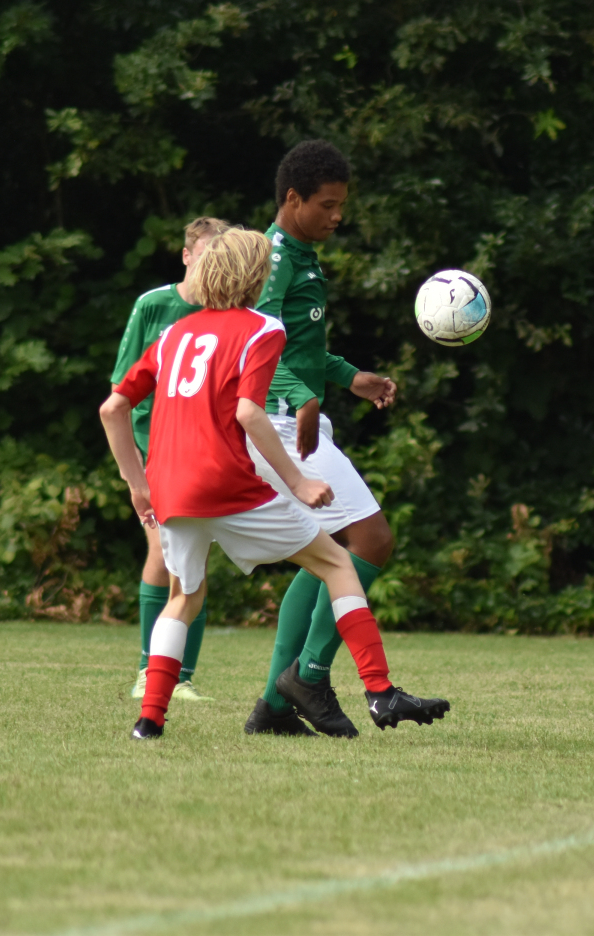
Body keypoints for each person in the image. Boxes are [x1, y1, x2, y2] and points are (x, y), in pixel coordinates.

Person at [98, 227, 447, 740]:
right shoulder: (263, 327)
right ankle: (378, 689)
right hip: (226, 483)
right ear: (256, 276)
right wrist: (298, 481)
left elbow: (112, 409)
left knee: (183, 598)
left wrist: (136, 484)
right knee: (336, 563)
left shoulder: (175, 334)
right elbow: (249, 412)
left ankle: (149, 721)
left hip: (170, 487)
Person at [245, 140, 400, 738]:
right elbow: (258, 344)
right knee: (371, 539)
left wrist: (348, 376)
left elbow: (299, 347)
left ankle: (273, 707)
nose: (338, 216)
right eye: (327, 205)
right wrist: (304, 396)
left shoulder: (301, 255)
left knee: (325, 552)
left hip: (297, 416)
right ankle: (308, 676)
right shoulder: (274, 258)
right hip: (280, 422)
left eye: (341, 205)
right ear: (293, 198)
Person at [110, 216, 231, 703]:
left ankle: (182, 676)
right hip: (154, 445)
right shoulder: (154, 305)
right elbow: (120, 389)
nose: (212, 265)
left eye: (222, 257)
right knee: (163, 552)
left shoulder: (231, 314)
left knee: (193, 560)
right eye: (205, 255)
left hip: (207, 449)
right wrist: (133, 470)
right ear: (186, 256)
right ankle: (150, 671)